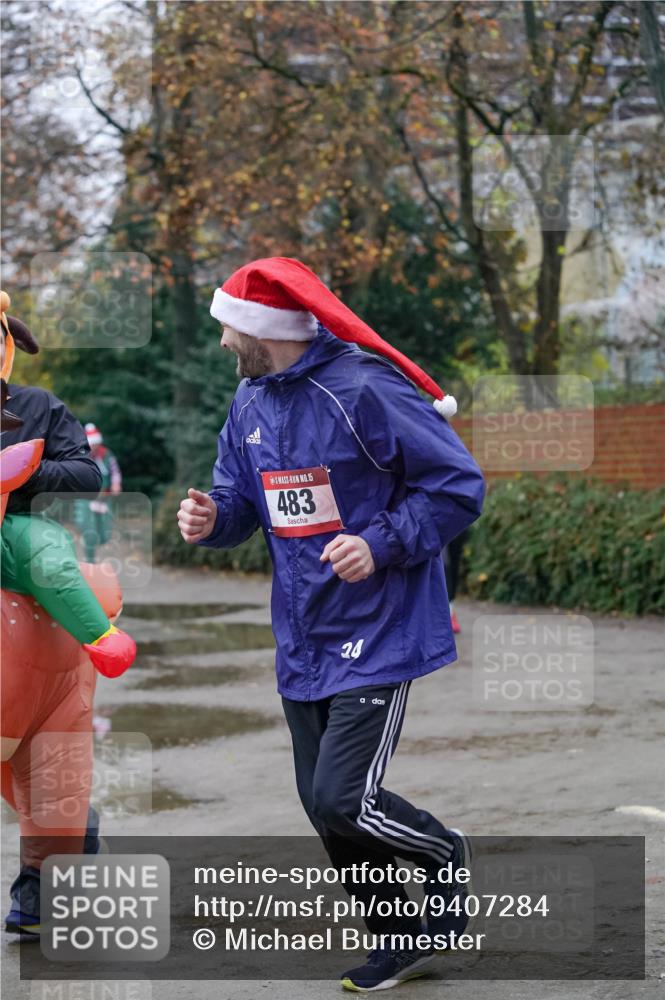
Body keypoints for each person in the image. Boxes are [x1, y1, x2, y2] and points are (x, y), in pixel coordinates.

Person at [178, 258, 485, 992]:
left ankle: (444, 855)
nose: (222, 341)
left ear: (263, 329)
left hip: (379, 627)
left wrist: (377, 542)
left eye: (228, 326)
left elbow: (457, 487)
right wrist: (213, 517)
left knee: (346, 798)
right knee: (324, 810)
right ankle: (396, 936)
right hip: (302, 634)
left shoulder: (365, 387)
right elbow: (243, 502)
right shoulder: (249, 401)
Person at [0, 290, 135, 677]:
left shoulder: (38, 406)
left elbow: (87, 476)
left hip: (17, 527)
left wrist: (26, 473)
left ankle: (101, 637)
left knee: (48, 557)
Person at [74, 423, 122, 562]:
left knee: (104, 535)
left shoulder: (107, 455)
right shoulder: (81, 455)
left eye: (95, 444)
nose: (93, 447)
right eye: (91, 445)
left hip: (104, 498)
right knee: (89, 531)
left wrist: (116, 483)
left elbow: (115, 471)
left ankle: (98, 541)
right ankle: (90, 562)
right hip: (86, 498)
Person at [442, 528, 470, 634]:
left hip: (458, 519)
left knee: (454, 565)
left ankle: (450, 611)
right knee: (444, 565)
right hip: (435, 519)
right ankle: (446, 614)